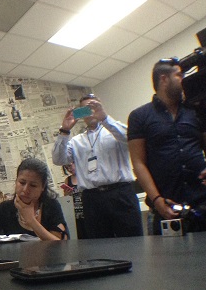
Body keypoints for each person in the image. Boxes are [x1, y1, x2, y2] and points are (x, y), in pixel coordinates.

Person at [128, 59, 206, 235]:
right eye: (179, 75)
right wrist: (157, 200)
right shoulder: (139, 116)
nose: (184, 80)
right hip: (165, 207)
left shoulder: (197, 110)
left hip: (202, 205)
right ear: (164, 79)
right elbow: (138, 163)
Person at [52, 93, 143, 239]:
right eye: (85, 109)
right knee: (99, 245)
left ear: (100, 107)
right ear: (81, 115)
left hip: (120, 193)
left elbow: (130, 138)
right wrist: (64, 131)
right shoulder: (76, 141)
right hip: (92, 199)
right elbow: (58, 159)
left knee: (132, 240)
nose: (90, 112)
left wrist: (105, 118)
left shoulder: (114, 132)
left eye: (93, 107)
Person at [0, 158, 67, 242]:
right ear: (16, 181)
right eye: (22, 183)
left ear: (42, 187)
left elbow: (61, 244)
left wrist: (31, 220)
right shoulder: (6, 208)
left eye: (33, 185)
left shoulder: (51, 206)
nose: (25, 189)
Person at [61, 163, 86, 239]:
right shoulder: (68, 180)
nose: (69, 169)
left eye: (70, 166)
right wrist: (67, 193)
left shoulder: (84, 176)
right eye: (66, 168)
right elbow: (66, 199)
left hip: (87, 209)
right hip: (75, 213)